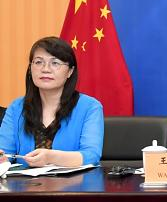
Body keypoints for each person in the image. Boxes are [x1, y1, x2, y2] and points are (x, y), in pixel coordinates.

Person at [0, 37, 104, 167]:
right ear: (30, 69)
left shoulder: (90, 107)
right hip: (24, 180)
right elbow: (5, 153)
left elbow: (91, 155)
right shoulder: (16, 108)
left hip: (74, 180)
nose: (46, 69)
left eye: (55, 63)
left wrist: (51, 157)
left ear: (70, 71)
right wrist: (2, 159)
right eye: (38, 62)